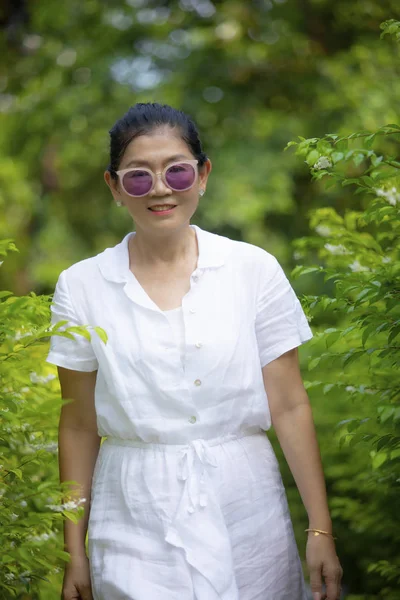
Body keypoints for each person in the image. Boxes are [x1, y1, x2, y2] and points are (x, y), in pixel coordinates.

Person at [46, 102, 343, 600]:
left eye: (176, 171)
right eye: (138, 177)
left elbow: (290, 405)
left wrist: (320, 531)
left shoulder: (254, 270)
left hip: (246, 506)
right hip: (132, 506)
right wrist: (73, 552)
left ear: (202, 175)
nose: (160, 188)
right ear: (114, 187)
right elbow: (77, 424)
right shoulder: (81, 287)